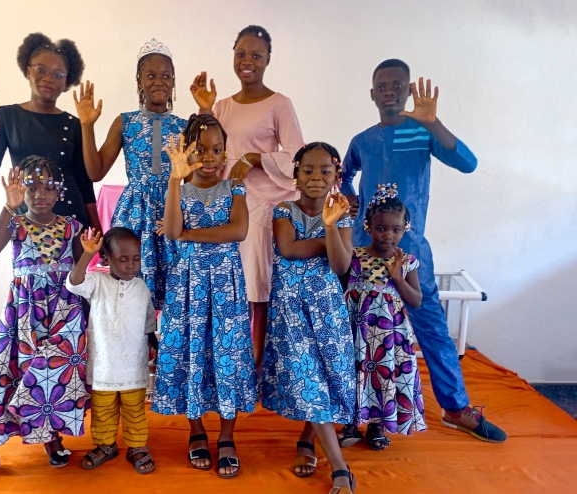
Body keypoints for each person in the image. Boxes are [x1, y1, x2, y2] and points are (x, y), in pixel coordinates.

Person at [340, 59, 507, 443]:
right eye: (382, 86)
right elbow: (344, 173)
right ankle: (355, 410)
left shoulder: (422, 132)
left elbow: (468, 162)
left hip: (410, 251)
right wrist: (350, 200)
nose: (389, 91)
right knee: (358, 330)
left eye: (397, 85)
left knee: (431, 326)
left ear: (409, 89)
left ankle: (456, 408)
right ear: (372, 93)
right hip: (364, 253)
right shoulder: (363, 140)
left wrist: (433, 122)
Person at [0, 156, 89, 489]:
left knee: (55, 376)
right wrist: (8, 208)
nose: (39, 193)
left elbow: (77, 273)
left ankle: (51, 438)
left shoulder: (72, 226)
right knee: (6, 373)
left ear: (59, 191)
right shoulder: (14, 223)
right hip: (22, 314)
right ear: (19, 190)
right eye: (31, 186)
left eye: (47, 187)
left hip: (64, 312)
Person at [190, 25, 304, 372]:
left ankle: (254, 367)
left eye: (256, 54)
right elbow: (203, 149)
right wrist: (205, 110)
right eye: (241, 53)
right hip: (225, 206)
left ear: (268, 59)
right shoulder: (222, 106)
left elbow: (299, 157)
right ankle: (226, 361)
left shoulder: (279, 104)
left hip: (259, 206)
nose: (248, 61)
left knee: (256, 288)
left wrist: (254, 158)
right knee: (226, 286)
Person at [152, 114, 257, 479]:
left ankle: (227, 435)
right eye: (200, 150)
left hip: (227, 285)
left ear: (225, 153)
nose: (210, 158)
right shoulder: (178, 188)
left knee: (227, 354)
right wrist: (174, 179)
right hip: (189, 286)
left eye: (217, 150)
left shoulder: (236, 188)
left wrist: (188, 235)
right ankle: (196, 429)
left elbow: (239, 230)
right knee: (191, 352)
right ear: (186, 152)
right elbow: (170, 232)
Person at [262, 142, 356, 494]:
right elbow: (289, 249)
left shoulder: (341, 216)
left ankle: (308, 437)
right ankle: (341, 470)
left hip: (328, 311)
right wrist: (328, 241)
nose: (316, 177)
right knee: (307, 378)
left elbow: (341, 266)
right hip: (292, 312)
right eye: (308, 171)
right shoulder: (282, 210)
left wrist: (331, 227)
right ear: (296, 175)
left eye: (325, 171)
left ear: (336, 176)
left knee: (327, 377)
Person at [74, 38, 187, 309]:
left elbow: (198, 177)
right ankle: (136, 347)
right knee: (131, 289)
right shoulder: (124, 122)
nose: (158, 81)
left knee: (175, 287)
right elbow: (95, 171)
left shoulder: (185, 125)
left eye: (165, 76)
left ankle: (166, 348)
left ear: (173, 81)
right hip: (135, 214)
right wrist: (87, 126)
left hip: (172, 210)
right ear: (139, 81)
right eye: (150, 75)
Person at [0, 32, 99, 230]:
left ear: (66, 82)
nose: (48, 78)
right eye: (41, 69)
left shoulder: (74, 124)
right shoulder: (6, 115)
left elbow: (85, 186)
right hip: (27, 220)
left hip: (72, 222)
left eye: (58, 74)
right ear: (28, 71)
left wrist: (99, 230)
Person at [340, 183, 427, 451]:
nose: (388, 235)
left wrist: (397, 276)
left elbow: (416, 300)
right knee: (352, 373)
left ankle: (377, 425)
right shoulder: (354, 256)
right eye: (381, 228)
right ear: (367, 226)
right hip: (356, 331)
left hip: (390, 335)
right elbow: (342, 289)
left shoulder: (407, 261)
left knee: (384, 375)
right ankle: (350, 423)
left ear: (405, 229)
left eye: (396, 229)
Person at [66, 226, 158, 474]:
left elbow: (149, 322)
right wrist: (88, 254)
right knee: (103, 410)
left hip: (133, 364)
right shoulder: (97, 282)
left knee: (135, 409)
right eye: (123, 259)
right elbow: (74, 283)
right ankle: (106, 445)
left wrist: (155, 347)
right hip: (104, 366)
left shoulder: (141, 287)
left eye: (136, 258)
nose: (131, 265)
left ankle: (137, 446)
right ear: (106, 259)